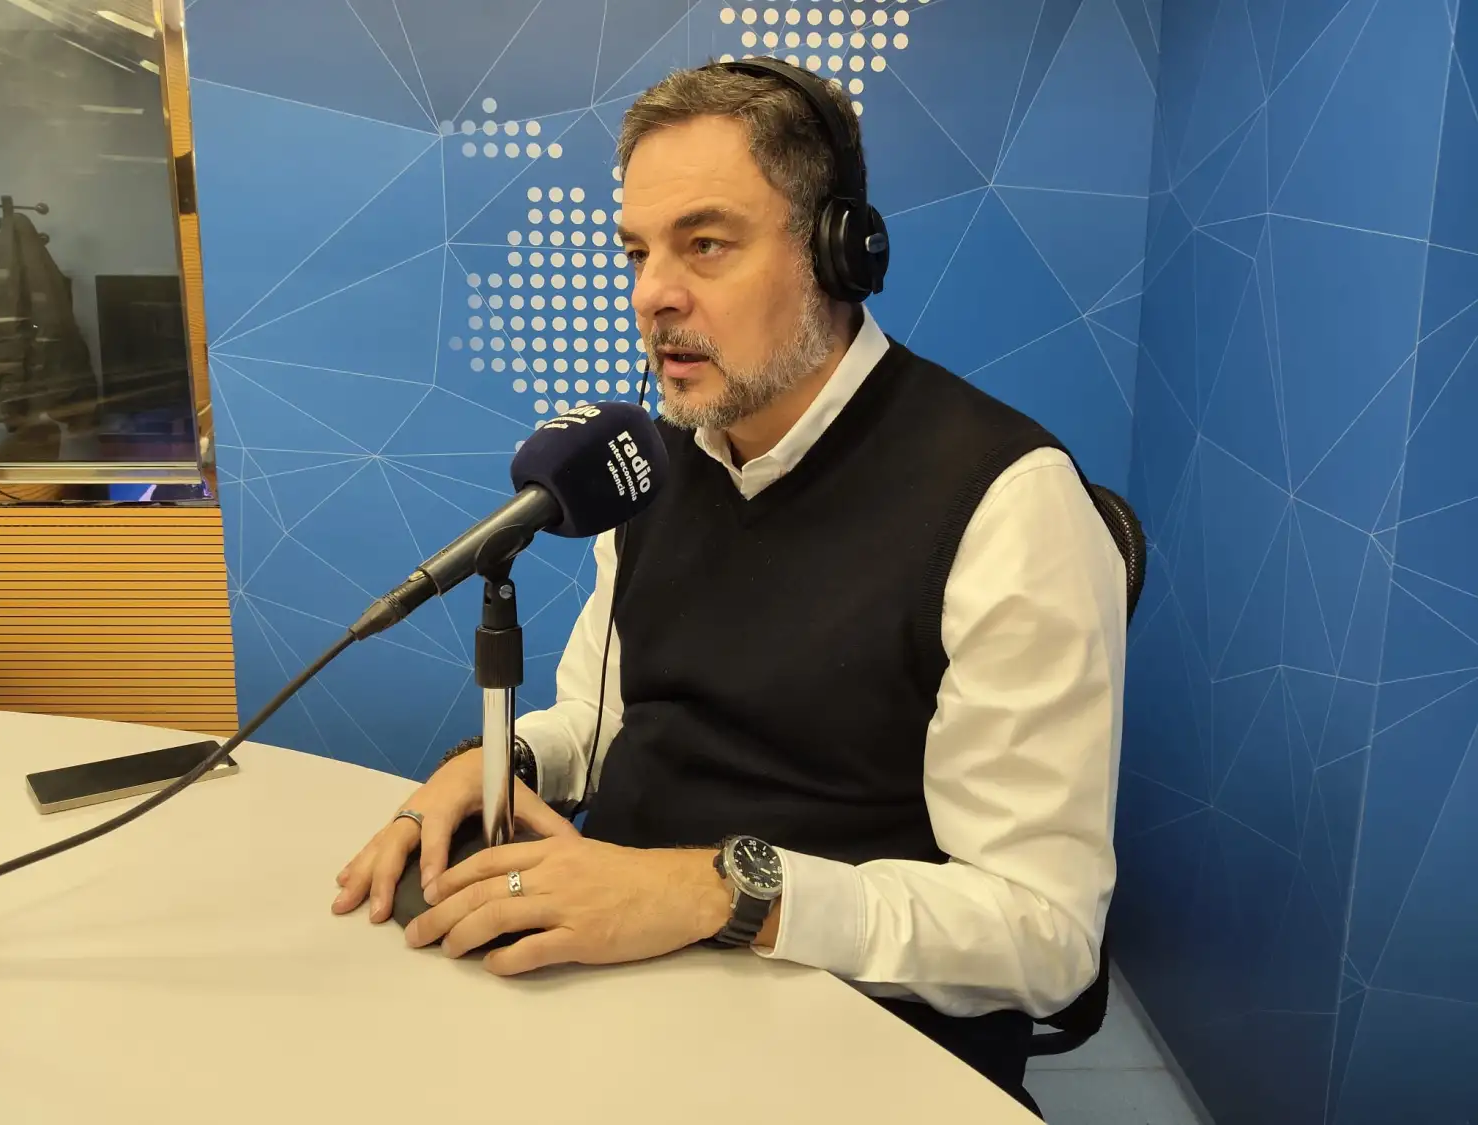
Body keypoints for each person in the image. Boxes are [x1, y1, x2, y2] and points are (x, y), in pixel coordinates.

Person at [332, 58, 1125, 1106]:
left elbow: (1044, 934)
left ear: (838, 252)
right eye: (637, 250)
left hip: (851, 1041)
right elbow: (602, 720)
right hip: (624, 990)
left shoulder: (1008, 502)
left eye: (705, 244)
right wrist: (495, 763)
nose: (652, 294)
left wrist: (715, 892)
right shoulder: (649, 465)